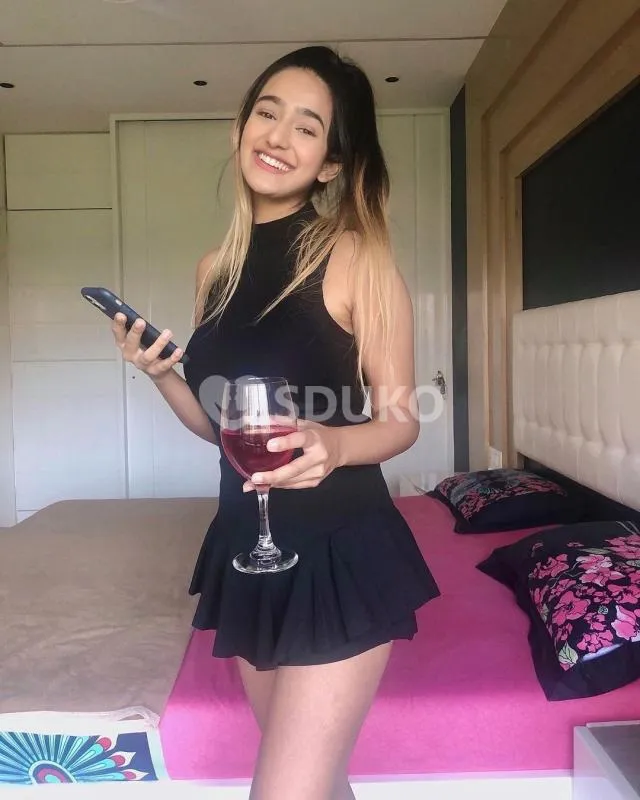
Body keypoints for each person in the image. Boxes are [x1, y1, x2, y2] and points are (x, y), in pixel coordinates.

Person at [112, 45, 439, 800]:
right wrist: (161, 372)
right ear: (241, 128)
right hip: (246, 549)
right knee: (316, 785)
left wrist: (334, 443)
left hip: (338, 552)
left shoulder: (357, 259)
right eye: (267, 112)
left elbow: (402, 420)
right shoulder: (214, 270)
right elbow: (220, 429)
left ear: (330, 163)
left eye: (307, 126)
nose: (278, 136)